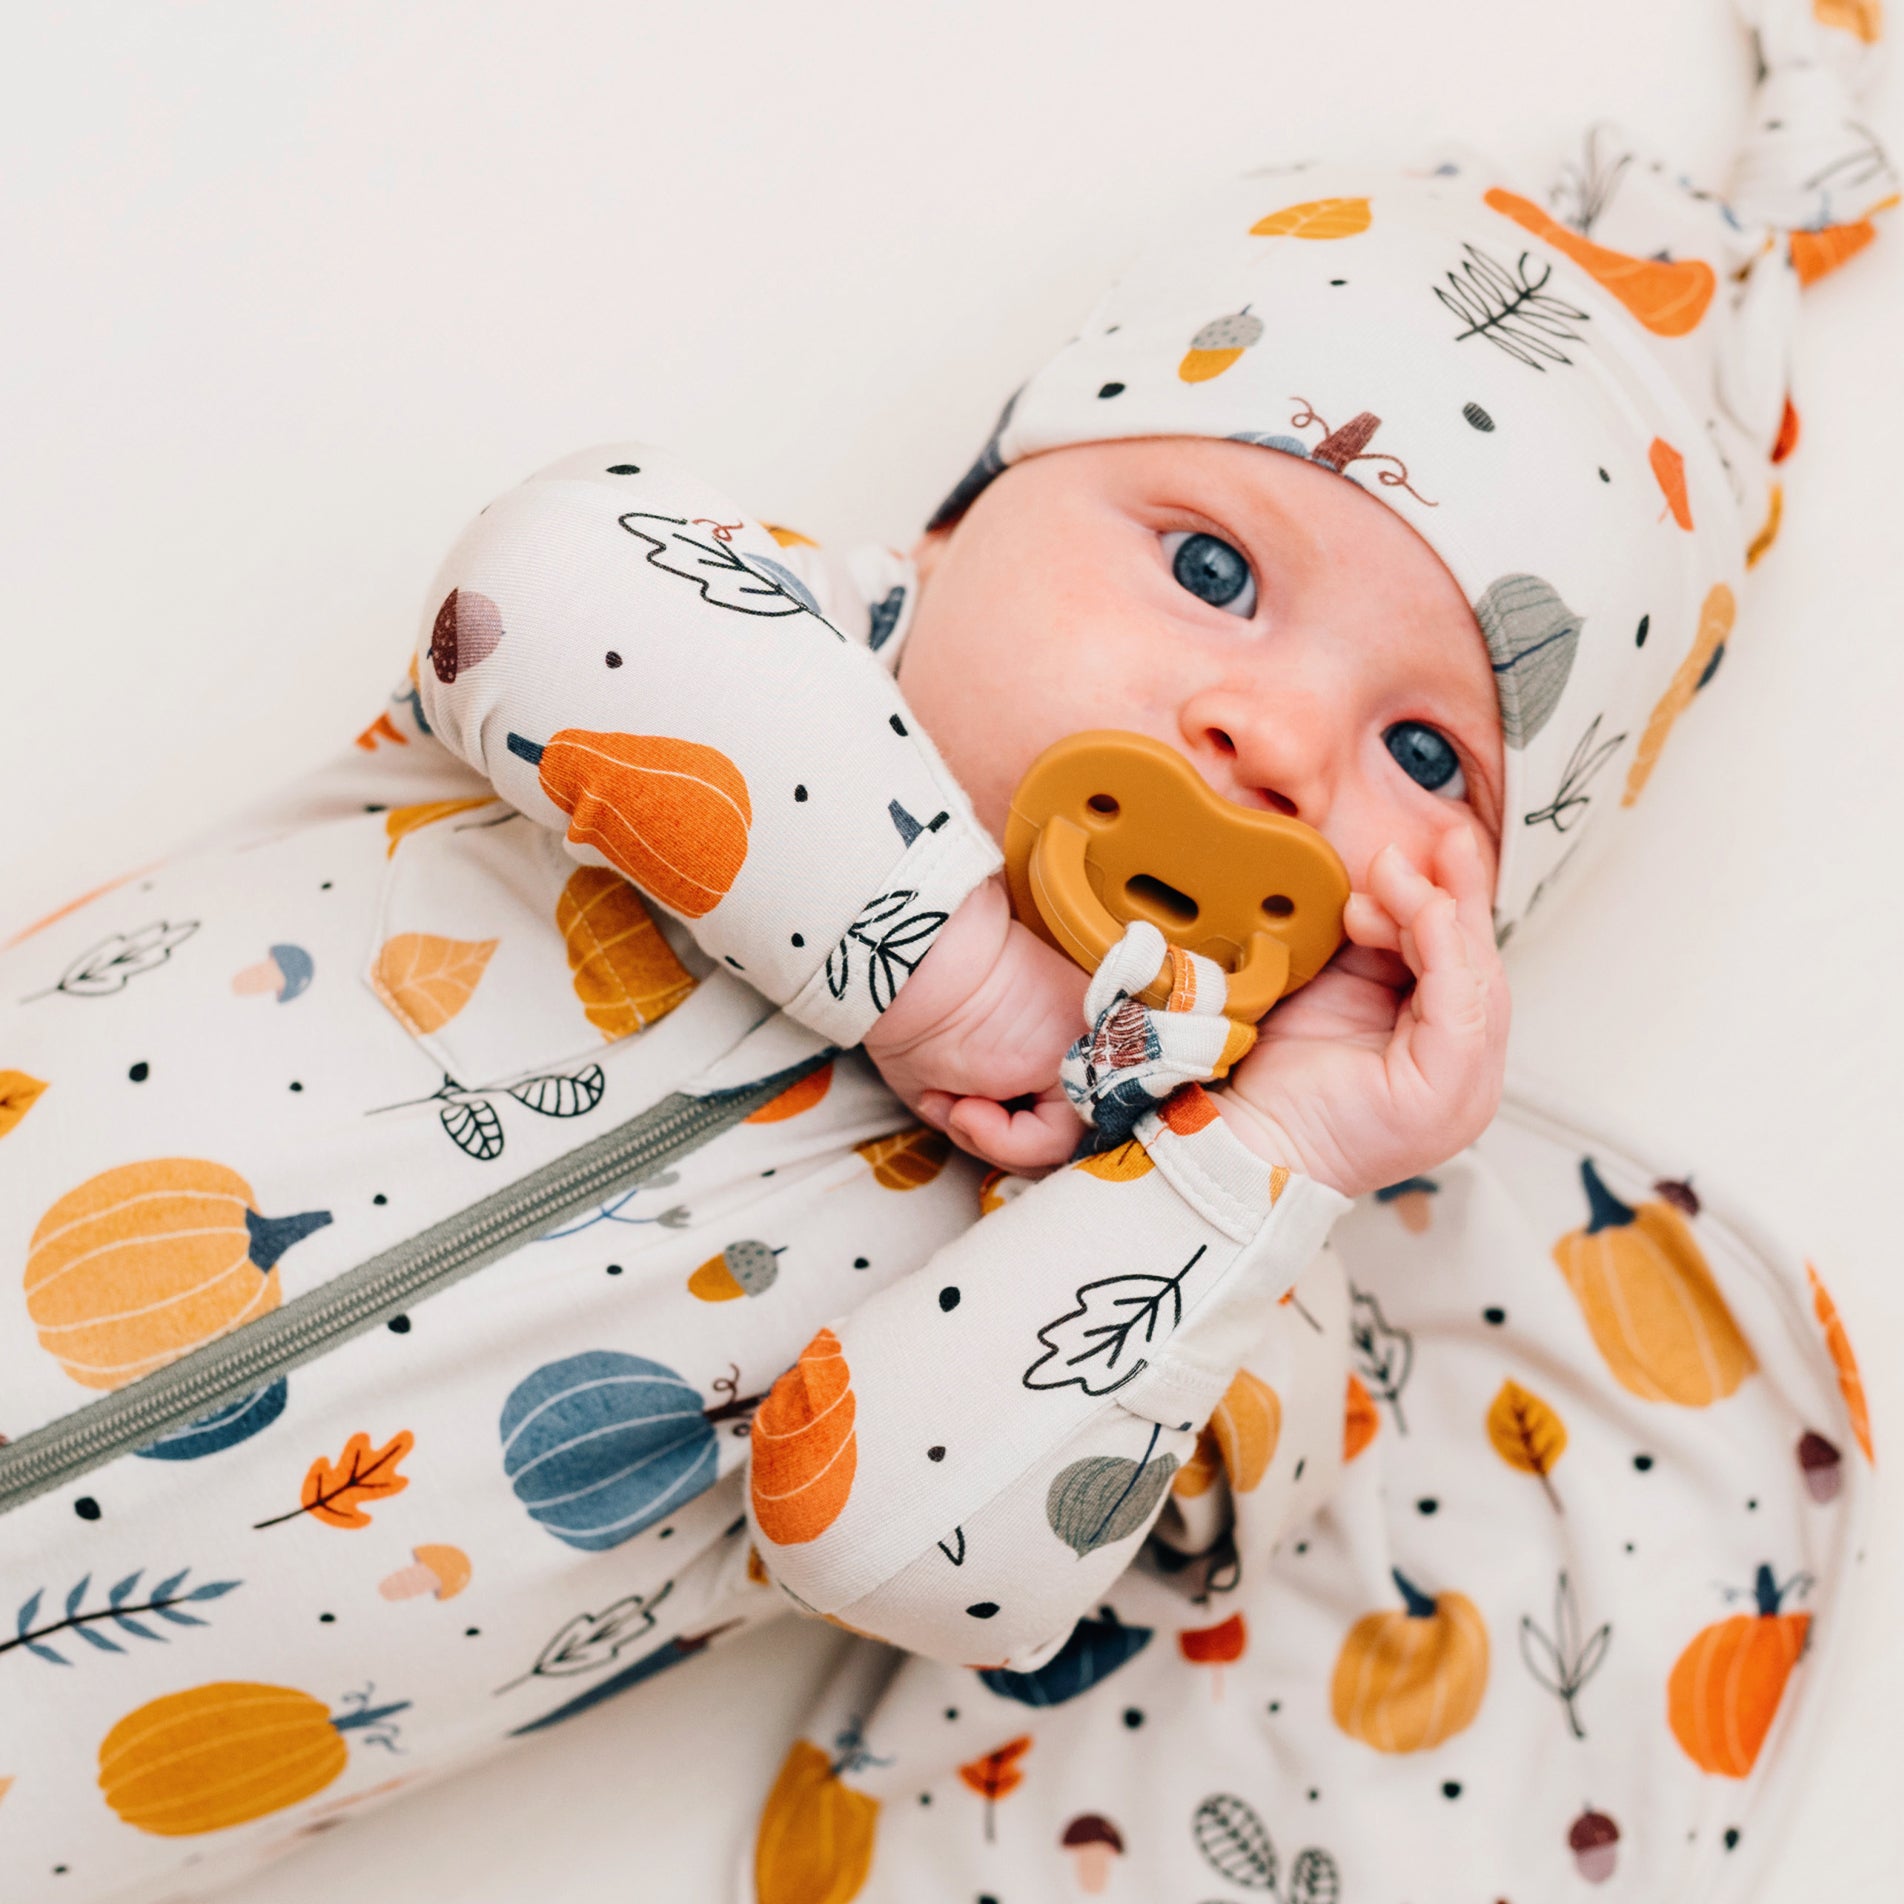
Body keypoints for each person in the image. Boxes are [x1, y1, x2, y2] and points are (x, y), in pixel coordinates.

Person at [0, 1, 1887, 1900]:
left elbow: (886, 1540)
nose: (1285, 743)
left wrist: (1265, 1165)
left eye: (1427, 757)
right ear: (971, 513)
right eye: (1212, 570)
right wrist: (950, 976)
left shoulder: (1234, 1272)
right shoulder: (768, 654)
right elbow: (536, 573)